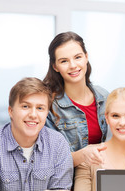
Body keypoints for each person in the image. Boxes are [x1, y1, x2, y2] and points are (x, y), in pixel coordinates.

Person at [44, 31, 108, 167]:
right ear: (55, 66)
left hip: (105, 176)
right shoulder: (49, 107)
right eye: (64, 61)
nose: (72, 65)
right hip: (68, 183)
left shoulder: (105, 97)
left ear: (86, 57)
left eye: (77, 57)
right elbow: (52, 161)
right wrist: (84, 154)